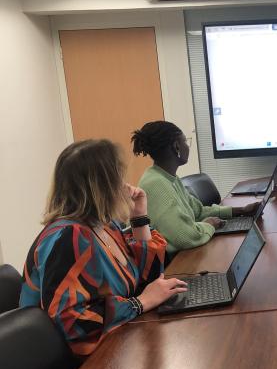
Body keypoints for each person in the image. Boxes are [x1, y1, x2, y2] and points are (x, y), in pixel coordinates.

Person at [20, 140, 187, 356]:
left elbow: (151, 277)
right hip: (79, 363)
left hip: (118, 340)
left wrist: (139, 215)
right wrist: (140, 303)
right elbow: (72, 323)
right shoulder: (69, 237)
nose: (124, 184)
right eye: (118, 176)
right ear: (103, 186)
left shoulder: (105, 225)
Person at [132, 121, 259, 255]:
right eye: (185, 141)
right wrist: (210, 224)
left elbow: (198, 212)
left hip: (184, 254)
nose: (187, 146)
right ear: (176, 146)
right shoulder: (156, 183)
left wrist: (241, 211)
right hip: (174, 262)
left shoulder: (167, 177)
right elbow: (185, 237)